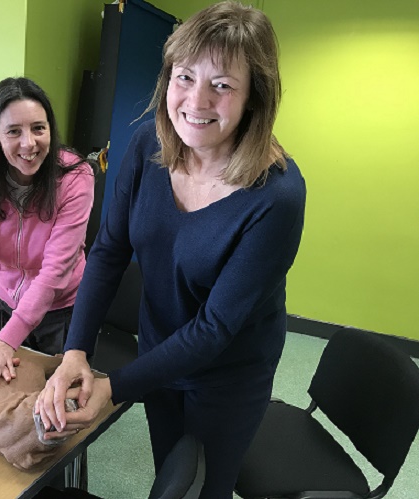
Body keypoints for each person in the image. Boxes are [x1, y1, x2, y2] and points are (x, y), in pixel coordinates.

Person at [35, 2, 306, 498]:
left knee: (203, 488)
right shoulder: (147, 144)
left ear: (254, 97)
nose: (196, 100)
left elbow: (216, 328)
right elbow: (109, 251)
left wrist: (113, 387)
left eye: (222, 85)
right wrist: (76, 349)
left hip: (228, 373)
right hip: (159, 348)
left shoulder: (276, 196)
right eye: (185, 76)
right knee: (170, 477)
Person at [0, 77, 95, 391]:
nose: (28, 144)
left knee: (61, 402)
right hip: (5, 300)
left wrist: (8, 340)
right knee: (4, 395)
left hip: (63, 308)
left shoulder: (75, 177)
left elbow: (55, 271)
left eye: (38, 128)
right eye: (13, 131)